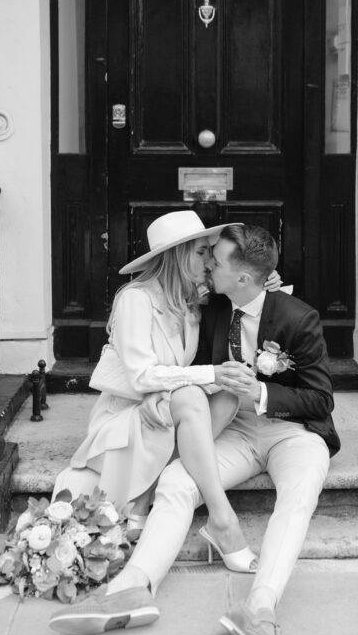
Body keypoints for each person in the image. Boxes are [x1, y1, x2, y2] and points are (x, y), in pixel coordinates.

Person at [50, 224, 340, 635]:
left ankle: (260, 609)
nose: (208, 266)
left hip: (293, 432)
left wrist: (262, 392)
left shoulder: (297, 317)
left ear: (243, 277)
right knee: (176, 480)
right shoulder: (209, 305)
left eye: (215, 260)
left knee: (299, 495)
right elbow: (166, 362)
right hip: (232, 428)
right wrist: (169, 394)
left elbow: (321, 400)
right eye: (205, 256)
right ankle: (132, 587)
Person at [53, 210, 277, 570]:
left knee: (227, 395)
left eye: (210, 253)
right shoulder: (135, 299)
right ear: (177, 255)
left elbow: (242, 288)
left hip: (163, 404)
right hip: (128, 413)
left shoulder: (191, 301)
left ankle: (146, 494)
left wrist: (266, 283)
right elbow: (142, 376)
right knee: (195, 393)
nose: (209, 261)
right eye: (201, 252)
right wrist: (203, 377)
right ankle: (222, 518)